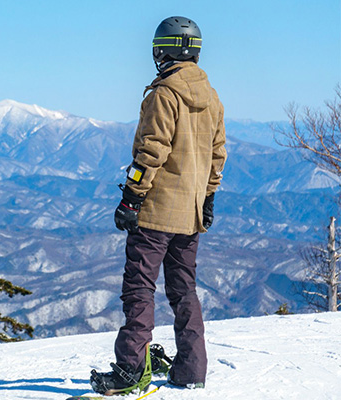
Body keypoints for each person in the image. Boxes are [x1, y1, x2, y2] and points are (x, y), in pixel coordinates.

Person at [90, 16, 227, 395]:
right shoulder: (211, 96)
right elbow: (218, 155)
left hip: (156, 211)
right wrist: (208, 196)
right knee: (184, 290)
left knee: (139, 287)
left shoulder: (163, 94)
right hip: (191, 213)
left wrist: (132, 198)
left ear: (162, 49)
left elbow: (150, 151)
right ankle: (191, 367)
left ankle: (131, 370)